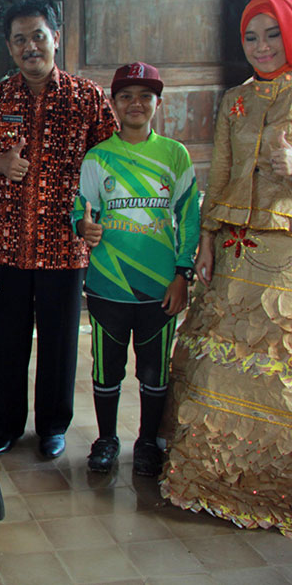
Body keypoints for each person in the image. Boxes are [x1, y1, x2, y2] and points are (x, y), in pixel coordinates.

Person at [161, 0, 292, 534]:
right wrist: (206, 240)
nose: (261, 47)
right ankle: (213, 478)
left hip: (284, 256)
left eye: (272, 34)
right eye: (251, 37)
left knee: (275, 371)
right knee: (217, 365)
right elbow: (218, 175)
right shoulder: (235, 99)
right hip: (233, 251)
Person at [0, 0, 118, 459]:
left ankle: (53, 425)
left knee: (59, 340)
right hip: (7, 243)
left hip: (65, 243)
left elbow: (111, 162)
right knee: (6, 340)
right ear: (10, 48)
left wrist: (97, 217)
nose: (30, 46)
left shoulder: (87, 97)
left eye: (37, 36)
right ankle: (7, 426)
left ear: (56, 37)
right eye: (19, 40)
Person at [73, 63, 199, 476]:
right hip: (108, 284)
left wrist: (183, 273)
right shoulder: (98, 157)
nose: (136, 104)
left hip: (160, 287)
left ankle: (147, 441)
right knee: (107, 368)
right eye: (126, 96)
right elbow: (80, 209)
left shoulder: (174, 155)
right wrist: (83, 226)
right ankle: (106, 438)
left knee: (154, 372)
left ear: (158, 104)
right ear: (112, 104)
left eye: (145, 96)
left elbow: (190, 218)